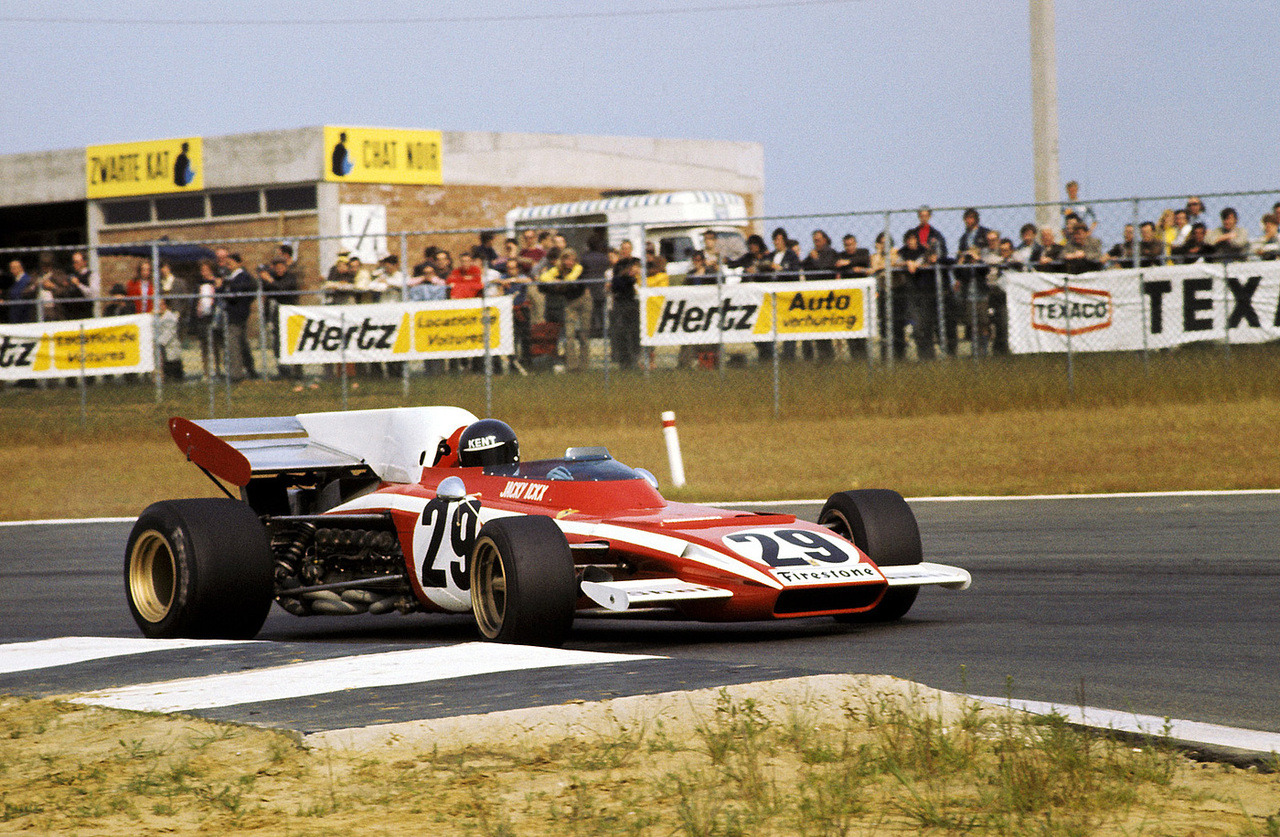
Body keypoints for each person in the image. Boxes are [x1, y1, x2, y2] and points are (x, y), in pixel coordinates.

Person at [537, 248, 588, 368]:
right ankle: (572, 366)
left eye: (572, 259)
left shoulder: (579, 268)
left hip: (582, 301)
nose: (569, 262)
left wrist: (558, 283)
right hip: (568, 303)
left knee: (583, 334)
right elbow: (543, 279)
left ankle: (584, 365)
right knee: (569, 335)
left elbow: (571, 281)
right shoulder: (558, 269)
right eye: (566, 259)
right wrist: (556, 281)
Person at [219, 253, 257, 381]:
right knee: (241, 342)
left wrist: (227, 290)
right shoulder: (228, 277)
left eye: (230, 263)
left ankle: (236, 374)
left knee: (233, 343)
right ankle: (249, 368)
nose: (228, 265)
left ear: (238, 263)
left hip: (237, 313)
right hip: (232, 313)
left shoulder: (243, 277)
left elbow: (241, 294)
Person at [609, 245, 642, 369]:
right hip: (621, 303)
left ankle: (635, 359)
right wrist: (627, 276)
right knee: (622, 332)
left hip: (632, 303)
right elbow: (616, 284)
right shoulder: (619, 266)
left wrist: (632, 276)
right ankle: (624, 361)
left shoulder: (634, 263)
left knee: (634, 332)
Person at [194, 260, 222, 379]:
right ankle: (206, 371)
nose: (203, 272)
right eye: (202, 270)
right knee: (204, 345)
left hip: (214, 316)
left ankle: (218, 370)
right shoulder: (199, 284)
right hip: (202, 317)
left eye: (206, 270)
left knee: (215, 345)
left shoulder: (216, 282)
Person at [155, 297, 184, 381]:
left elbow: (170, 332)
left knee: (174, 365)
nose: (160, 307)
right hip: (161, 347)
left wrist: (160, 342)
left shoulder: (170, 317)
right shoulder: (157, 317)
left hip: (170, 345)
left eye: (162, 304)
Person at [69, 251, 100, 317]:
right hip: (72, 314)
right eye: (73, 262)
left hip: (86, 314)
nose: (74, 265)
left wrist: (78, 285)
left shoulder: (92, 275)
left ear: (84, 262)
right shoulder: (73, 276)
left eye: (77, 262)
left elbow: (93, 294)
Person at [6, 259, 35, 323]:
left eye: (13, 268)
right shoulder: (16, 280)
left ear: (20, 268)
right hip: (16, 313)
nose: (11, 271)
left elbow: (18, 294)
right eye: (11, 268)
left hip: (23, 314)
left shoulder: (27, 280)